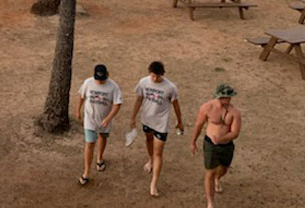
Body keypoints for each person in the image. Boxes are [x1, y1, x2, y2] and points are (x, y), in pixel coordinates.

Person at [129, 61, 184, 198]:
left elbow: (176, 106)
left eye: (157, 76)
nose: (154, 79)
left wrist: (180, 122)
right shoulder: (143, 82)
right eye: (153, 76)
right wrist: (132, 117)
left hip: (161, 124)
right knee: (148, 141)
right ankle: (150, 160)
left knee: (158, 152)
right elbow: (138, 100)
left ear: (162, 75)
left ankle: (153, 183)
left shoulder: (170, 87)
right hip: (147, 120)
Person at [190, 84, 241, 208]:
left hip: (226, 145)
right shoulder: (207, 107)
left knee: (224, 168)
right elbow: (199, 125)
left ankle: (218, 179)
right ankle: (210, 203)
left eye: (230, 98)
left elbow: (235, 132)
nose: (228, 101)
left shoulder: (234, 112)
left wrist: (222, 139)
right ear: (219, 97)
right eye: (225, 98)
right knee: (210, 172)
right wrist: (193, 142)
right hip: (210, 145)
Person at [76, 64, 122, 186]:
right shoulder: (88, 83)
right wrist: (78, 110)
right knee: (90, 143)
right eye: (98, 79)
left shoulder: (113, 87)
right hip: (90, 119)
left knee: (102, 137)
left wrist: (108, 118)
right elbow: (81, 95)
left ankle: (99, 158)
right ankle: (86, 172)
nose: (100, 82)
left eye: (102, 79)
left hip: (104, 120)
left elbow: (117, 104)